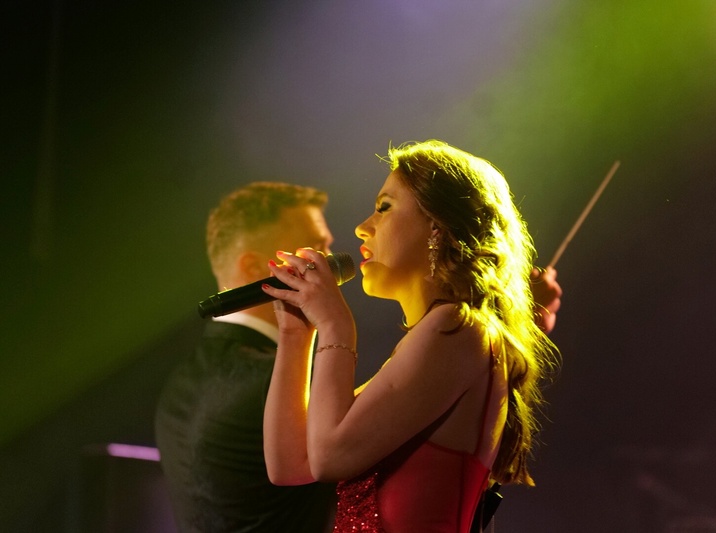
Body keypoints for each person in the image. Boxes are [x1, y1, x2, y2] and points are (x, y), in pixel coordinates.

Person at [261, 140, 561, 532]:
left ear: (437, 225)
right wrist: (295, 333)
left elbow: (329, 458)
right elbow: (290, 464)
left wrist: (336, 325)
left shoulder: (460, 329)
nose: (362, 227)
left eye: (384, 207)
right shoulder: (436, 337)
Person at [154, 182, 338, 532]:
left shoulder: (178, 382)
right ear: (255, 268)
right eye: (314, 250)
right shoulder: (285, 380)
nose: (331, 262)